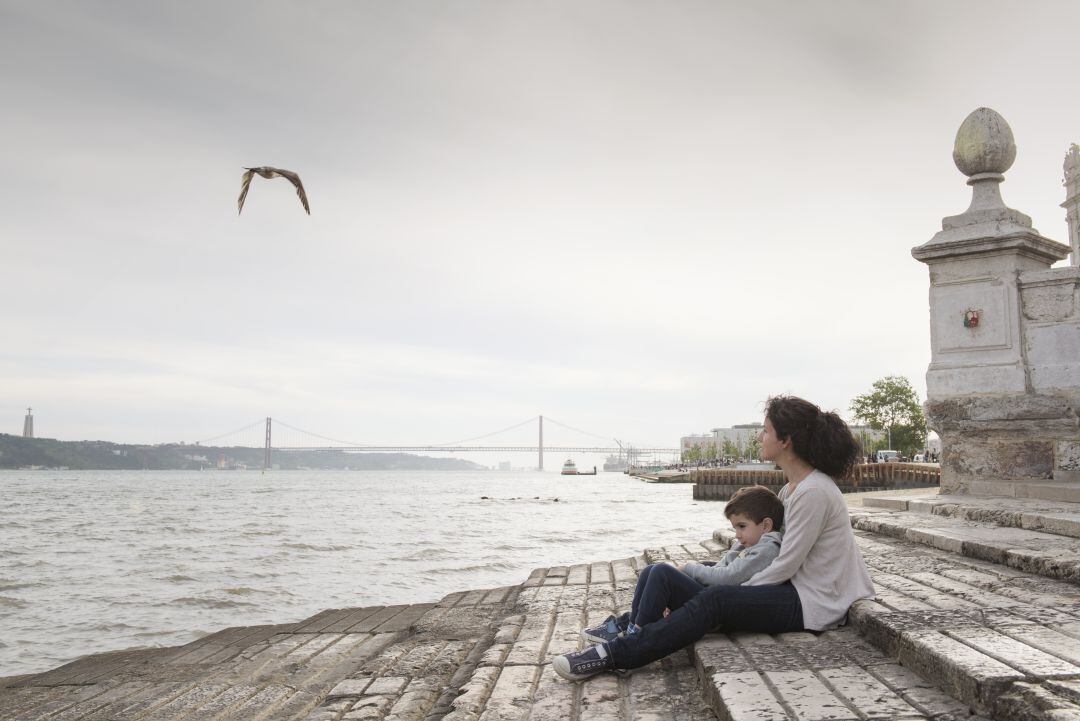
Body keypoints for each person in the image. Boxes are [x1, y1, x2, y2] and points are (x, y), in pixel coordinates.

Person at [553, 395, 875, 682]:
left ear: (786, 440)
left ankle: (619, 654)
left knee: (716, 599)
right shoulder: (791, 489)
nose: (759, 436)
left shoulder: (814, 491)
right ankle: (633, 626)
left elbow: (785, 564)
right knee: (668, 573)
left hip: (814, 603)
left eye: (765, 430)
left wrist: (733, 592)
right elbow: (772, 557)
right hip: (793, 590)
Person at [579, 485, 784, 644]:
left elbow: (728, 577)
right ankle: (631, 625)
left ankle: (636, 637)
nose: (737, 535)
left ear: (765, 525)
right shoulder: (750, 544)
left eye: (742, 527)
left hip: (722, 610)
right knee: (651, 570)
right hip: (713, 599)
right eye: (735, 528)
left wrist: (688, 568)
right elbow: (722, 568)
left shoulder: (767, 550)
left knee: (662, 573)